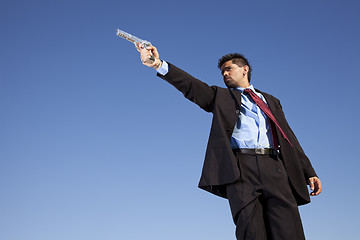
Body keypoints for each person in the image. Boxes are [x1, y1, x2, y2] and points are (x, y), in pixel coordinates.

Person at [136, 44, 322, 240]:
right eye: (222, 71)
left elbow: (288, 136)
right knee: (251, 232)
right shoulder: (220, 96)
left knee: (289, 230)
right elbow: (191, 86)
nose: (224, 74)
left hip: (275, 167)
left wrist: (308, 171)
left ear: (245, 69)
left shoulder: (271, 101)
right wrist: (157, 64)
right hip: (241, 169)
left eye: (228, 69)